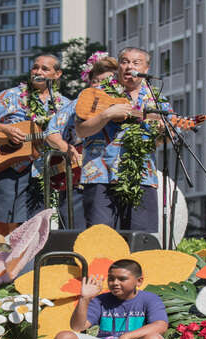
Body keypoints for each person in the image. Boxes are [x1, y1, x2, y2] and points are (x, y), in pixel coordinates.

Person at [0, 54, 70, 229]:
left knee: (35, 224)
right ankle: (5, 256)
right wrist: (4, 129)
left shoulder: (64, 105)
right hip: (9, 166)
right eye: (35, 67)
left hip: (41, 171)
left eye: (45, 69)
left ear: (57, 74)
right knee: (4, 222)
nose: (38, 71)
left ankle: (32, 256)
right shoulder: (12, 96)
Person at [75, 47, 172, 233]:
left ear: (147, 68)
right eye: (125, 62)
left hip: (141, 176)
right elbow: (81, 131)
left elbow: (166, 138)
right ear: (118, 66)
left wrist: (163, 131)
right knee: (101, 238)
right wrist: (107, 115)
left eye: (136, 63)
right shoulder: (96, 93)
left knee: (140, 238)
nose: (129, 67)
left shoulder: (156, 99)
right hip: (100, 175)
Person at [51, 259, 168, 339]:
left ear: (139, 281)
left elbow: (161, 325)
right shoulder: (101, 300)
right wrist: (84, 299)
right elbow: (78, 326)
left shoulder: (150, 299)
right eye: (111, 279)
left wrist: (126, 336)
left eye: (122, 279)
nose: (115, 283)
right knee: (63, 338)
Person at [44, 52, 118, 229]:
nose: (100, 87)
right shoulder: (77, 104)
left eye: (107, 82)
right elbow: (51, 131)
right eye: (96, 82)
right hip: (82, 181)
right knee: (79, 236)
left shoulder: (127, 103)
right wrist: (66, 148)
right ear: (90, 83)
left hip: (118, 179)